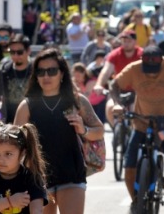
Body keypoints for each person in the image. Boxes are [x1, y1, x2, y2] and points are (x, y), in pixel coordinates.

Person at [13, 48, 105, 214]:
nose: (46, 76)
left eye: (52, 71)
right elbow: (14, 145)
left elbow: (99, 131)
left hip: (71, 174)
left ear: (62, 74)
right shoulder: (27, 106)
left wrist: (83, 130)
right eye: (41, 72)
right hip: (37, 179)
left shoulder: (77, 101)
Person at [109, 46, 164, 214]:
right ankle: (137, 203)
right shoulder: (134, 69)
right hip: (143, 124)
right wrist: (116, 103)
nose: (151, 74)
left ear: (162, 61)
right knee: (129, 169)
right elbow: (114, 85)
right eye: (147, 70)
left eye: (154, 70)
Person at [95, 30, 143, 127]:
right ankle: (117, 130)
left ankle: (135, 131)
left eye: (128, 41)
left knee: (137, 110)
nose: (125, 43)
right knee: (110, 108)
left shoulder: (141, 54)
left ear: (135, 42)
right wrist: (99, 84)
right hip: (118, 91)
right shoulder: (115, 54)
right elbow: (106, 71)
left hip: (137, 91)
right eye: (123, 41)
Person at [0, 34, 32, 124]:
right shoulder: (4, 70)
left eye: (19, 52)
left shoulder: (36, 71)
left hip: (30, 122)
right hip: (7, 121)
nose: (15, 56)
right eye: (12, 52)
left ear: (28, 51)